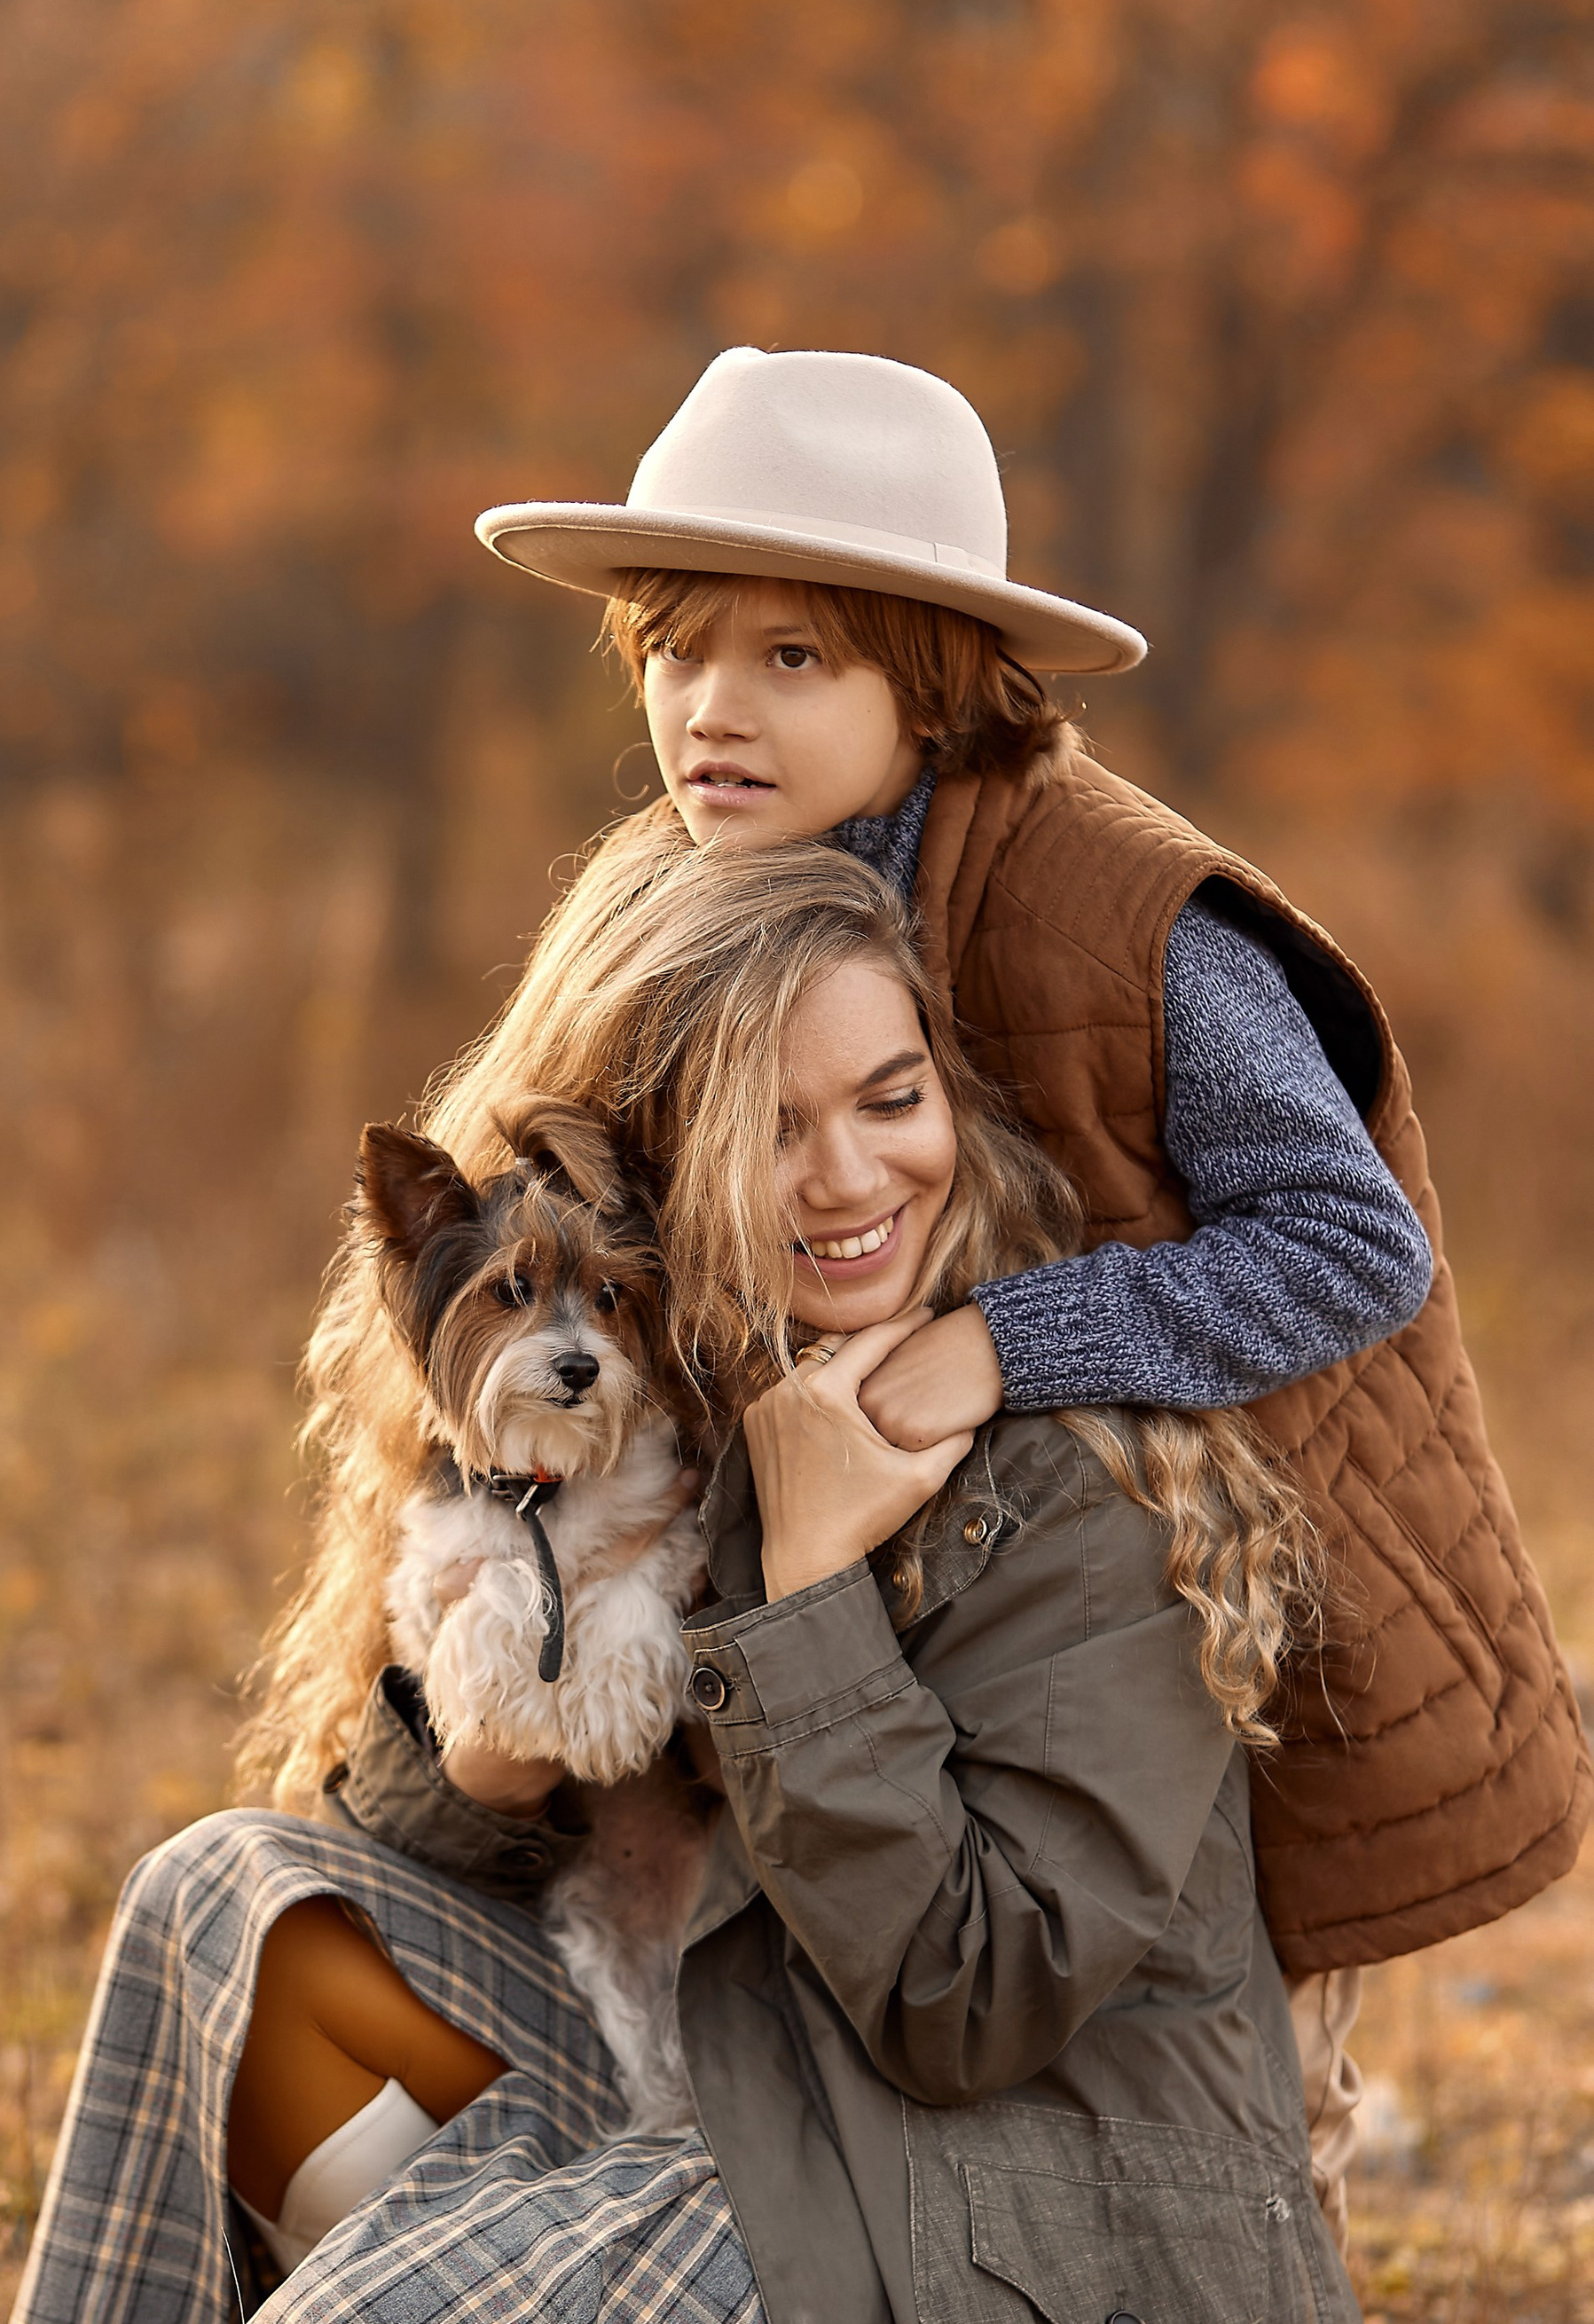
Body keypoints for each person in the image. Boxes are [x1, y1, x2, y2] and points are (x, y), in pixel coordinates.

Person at [0, 844, 1428, 2324]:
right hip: (777, 2156)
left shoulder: (1077, 1478)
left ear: (959, 1102)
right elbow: (468, 1809)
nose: (851, 1172)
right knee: (237, 1902)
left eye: (892, 1096)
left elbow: (969, 2001)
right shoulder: (711, 1400)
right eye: (769, 1123)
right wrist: (461, 1747)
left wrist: (824, 1596)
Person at [468, 350, 1590, 2201]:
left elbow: (1345, 1241)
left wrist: (1001, 1340)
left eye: (791, 659)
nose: (708, 709)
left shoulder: (1114, 909)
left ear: (932, 675)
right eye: (677, 650)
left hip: (1214, 1586)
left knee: (1202, 2084)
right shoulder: (707, 891)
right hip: (920, 1586)